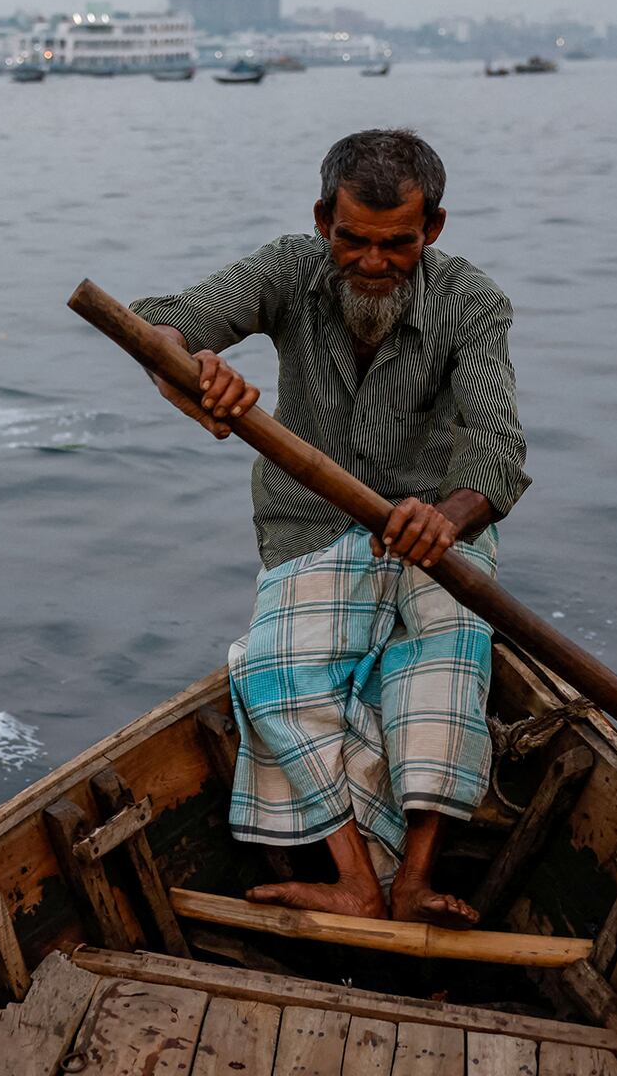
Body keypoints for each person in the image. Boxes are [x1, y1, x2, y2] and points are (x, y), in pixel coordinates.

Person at [130, 128, 529, 926]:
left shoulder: (472, 302)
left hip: (433, 530)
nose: (373, 262)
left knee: (449, 655)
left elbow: (497, 449)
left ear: (434, 231)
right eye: (353, 240)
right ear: (323, 221)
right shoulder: (286, 270)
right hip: (309, 524)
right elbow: (160, 324)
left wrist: (445, 518)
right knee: (273, 675)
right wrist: (193, 375)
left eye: (397, 245)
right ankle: (355, 878)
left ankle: (414, 878)